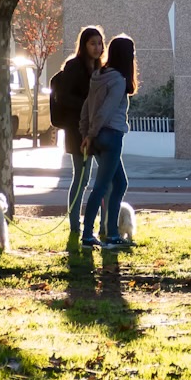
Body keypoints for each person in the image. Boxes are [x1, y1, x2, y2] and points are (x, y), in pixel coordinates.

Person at [78, 34, 135, 249]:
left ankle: (110, 232)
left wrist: (86, 133)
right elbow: (105, 111)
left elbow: (87, 108)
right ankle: (94, 234)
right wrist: (90, 134)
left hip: (99, 137)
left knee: (119, 183)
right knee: (102, 187)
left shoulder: (99, 75)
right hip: (111, 136)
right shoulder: (118, 81)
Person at [51, 25, 104, 244]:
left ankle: (98, 224)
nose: (98, 48)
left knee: (91, 178)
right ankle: (75, 224)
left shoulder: (100, 67)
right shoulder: (74, 66)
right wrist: (87, 106)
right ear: (83, 45)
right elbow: (63, 97)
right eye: (93, 43)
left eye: (100, 43)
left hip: (94, 129)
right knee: (80, 178)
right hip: (76, 129)